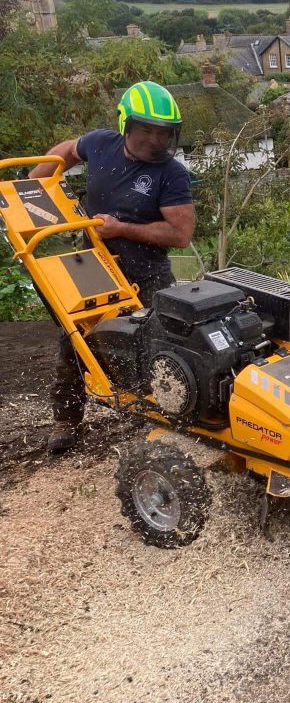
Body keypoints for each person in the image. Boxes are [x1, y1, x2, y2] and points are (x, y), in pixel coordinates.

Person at [29, 80, 196, 453]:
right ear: (125, 124)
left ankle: (160, 421)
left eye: (162, 133)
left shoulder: (171, 173)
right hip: (94, 266)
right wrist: (34, 184)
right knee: (74, 343)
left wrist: (121, 228)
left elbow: (180, 233)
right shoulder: (100, 143)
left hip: (148, 275)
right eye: (146, 130)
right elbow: (67, 151)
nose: (155, 139)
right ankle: (66, 421)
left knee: (155, 351)